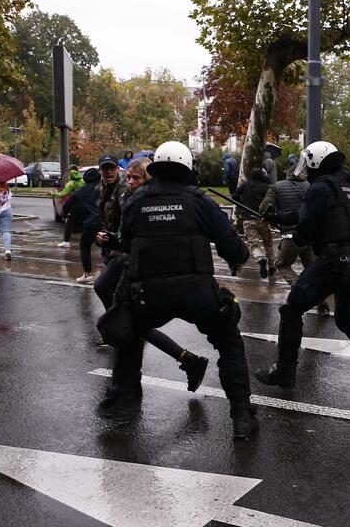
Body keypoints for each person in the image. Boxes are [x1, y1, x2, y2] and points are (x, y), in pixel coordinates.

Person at [101, 141, 256, 437]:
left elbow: (124, 241)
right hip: (197, 293)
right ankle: (241, 416)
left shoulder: (136, 201)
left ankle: (123, 404)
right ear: (188, 169)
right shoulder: (199, 201)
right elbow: (235, 251)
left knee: (130, 336)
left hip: (148, 296)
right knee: (228, 340)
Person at [255, 141, 350, 392]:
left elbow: (305, 230)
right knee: (345, 318)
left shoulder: (320, 187)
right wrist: (277, 217)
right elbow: (305, 213)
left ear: (314, 162)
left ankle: (285, 371)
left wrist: (293, 237)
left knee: (291, 309)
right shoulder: (341, 185)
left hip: (334, 262)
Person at [93, 158, 211, 388]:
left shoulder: (141, 199)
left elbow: (136, 236)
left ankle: (185, 358)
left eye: (135, 177)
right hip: (122, 257)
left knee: (123, 312)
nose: (130, 182)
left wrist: (115, 241)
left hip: (133, 262)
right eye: (128, 177)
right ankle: (187, 359)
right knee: (129, 319)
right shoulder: (106, 191)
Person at [259, 166, 331, 316]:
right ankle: (322, 304)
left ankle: (301, 290)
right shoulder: (311, 186)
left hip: (291, 236)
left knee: (282, 264)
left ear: (287, 173)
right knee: (312, 270)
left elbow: (264, 208)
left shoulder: (277, 186)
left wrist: (275, 217)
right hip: (310, 236)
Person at [233, 167, 274, 278]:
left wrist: (243, 204)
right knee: (268, 242)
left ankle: (260, 258)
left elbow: (234, 196)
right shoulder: (265, 187)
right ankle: (271, 265)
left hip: (248, 219)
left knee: (253, 243)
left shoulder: (245, 185)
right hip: (262, 219)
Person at [62, 168, 102, 284]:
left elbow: (67, 205)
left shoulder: (81, 191)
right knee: (109, 246)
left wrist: (65, 215)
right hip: (105, 222)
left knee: (85, 246)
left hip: (91, 224)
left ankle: (87, 274)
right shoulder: (102, 188)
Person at [50, 165, 85, 247]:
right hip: (85, 206)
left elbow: (62, 194)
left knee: (69, 224)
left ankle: (66, 242)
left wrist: (52, 194)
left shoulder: (70, 183)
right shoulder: (83, 181)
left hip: (74, 206)